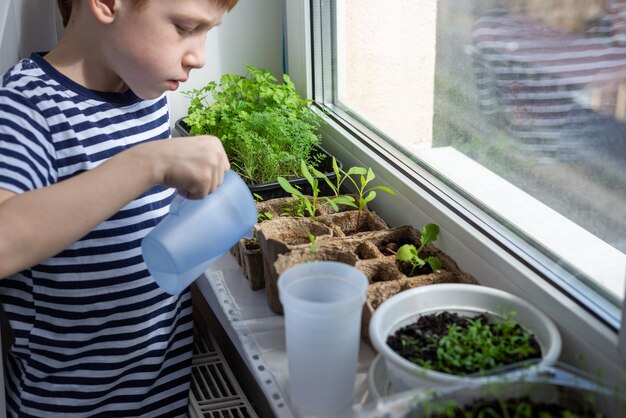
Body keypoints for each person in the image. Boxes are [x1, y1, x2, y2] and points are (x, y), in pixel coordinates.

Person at [0, 0, 238, 416]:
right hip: (70, 407)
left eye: (208, 32)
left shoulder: (143, 90)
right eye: (184, 27)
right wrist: (149, 162)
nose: (199, 56)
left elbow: (141, 232)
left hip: (160, 392)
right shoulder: (28, 108)